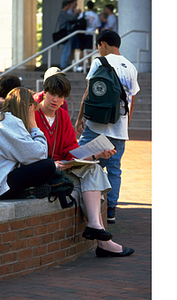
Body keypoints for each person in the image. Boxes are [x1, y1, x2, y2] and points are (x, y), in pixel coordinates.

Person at [34, 74, 134, 257]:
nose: (56, 100)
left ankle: (94, 225)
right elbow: (27, 150)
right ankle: (104, 243)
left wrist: (97, 154)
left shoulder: (62, 116)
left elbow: (72, 150)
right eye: (52, 95)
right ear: (44, 93)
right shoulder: (32, 115)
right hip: (42, 170)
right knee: (89, 184)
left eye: (61, 96)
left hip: (63, 167)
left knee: (94, 168)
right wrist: (50, 164)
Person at [75, 30, 140, 224]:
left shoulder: (99, 62)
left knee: (80, 163)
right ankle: (110, 210)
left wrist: (80, 118)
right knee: (114, 170)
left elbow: (89, 92)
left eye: (98, 46)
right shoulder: (131, 67)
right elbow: (132, 102)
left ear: (102, 44)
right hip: (119, 130)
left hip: (96, 127)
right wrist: (124, 127)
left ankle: (82, 204)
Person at [78, 1, 101, 72]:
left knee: (81, 50)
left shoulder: (83, 14)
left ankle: (81, 65)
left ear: (87, 6)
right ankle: (89, 65)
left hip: (82, 33)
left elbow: (78, 22)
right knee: (88, 50)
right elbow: (97, 26)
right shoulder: (95, 15)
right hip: (90, 34)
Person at [58, 1, 81, 69]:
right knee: (66, 50)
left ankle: (64, 65)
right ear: (66, 6)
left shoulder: (63, 13)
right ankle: (63, 66)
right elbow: (71, 18)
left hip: (66, 32)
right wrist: (76, 14)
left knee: (67, 49)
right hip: (65, 32)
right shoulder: (63, 13)